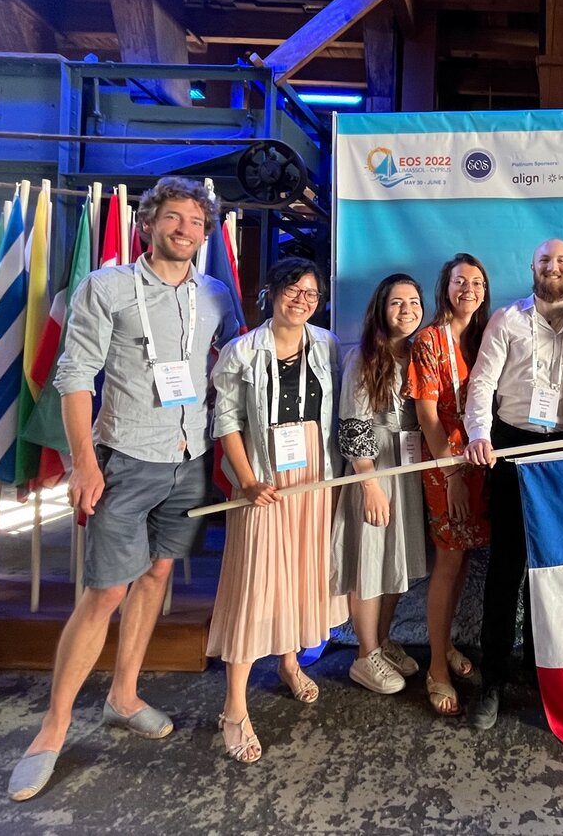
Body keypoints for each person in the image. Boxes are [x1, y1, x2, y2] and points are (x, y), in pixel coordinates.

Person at [8, 177, 238, 801]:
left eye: (196, 221)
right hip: (125, 458)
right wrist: (84, 463)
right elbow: (74, 376)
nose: (185, 229)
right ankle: (52, 729)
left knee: (158, 575)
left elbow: (234, 364)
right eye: (174, 217)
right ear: (148, 223)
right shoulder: (105, 287)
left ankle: (124, 695)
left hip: (190, 458)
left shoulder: (216, 295)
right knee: (106, 589)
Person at [206, 258, 347, 763]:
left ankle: (289, 662)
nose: (302, 300)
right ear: (272, 292)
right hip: (260, 477)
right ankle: (234, 708)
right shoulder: (241, 351)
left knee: (298, 574)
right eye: (293, 289)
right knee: (255, 583)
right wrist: (246, 480)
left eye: (311, 294)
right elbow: (226, 422)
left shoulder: (327, 344)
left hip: (312, 474)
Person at [463, 238, 563, 730]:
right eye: (544, 261)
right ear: (531, 267)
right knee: (507, 566)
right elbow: (482, 382)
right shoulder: (506, 320)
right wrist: (479, 433)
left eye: (561, 261)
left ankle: (544, 673)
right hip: (511, 446)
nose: (552, 267)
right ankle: (492, 678)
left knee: (552, 568)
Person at [331, 274, 428, 695]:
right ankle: (364, 653)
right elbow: (353, 424)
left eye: (413, 301)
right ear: (381, 309)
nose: (406, 310)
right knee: (371, 560)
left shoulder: (420, 353)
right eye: (397, 302)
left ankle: (383, 639)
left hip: (407, 468)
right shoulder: (364, 356)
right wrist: (369, 484)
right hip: (374, 468)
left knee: (395, 560)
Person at [405, 254, 492, 717]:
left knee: (463, 561)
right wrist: (452, 473)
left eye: (477, 283)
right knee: (449, 560)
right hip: (446, 463)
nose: (469, 290)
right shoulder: (429, 340)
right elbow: (426, 414)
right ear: (446, 287)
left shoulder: (484, 337)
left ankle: (449, 644)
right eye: (460, 282)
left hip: (481, 460)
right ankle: (436, 666)